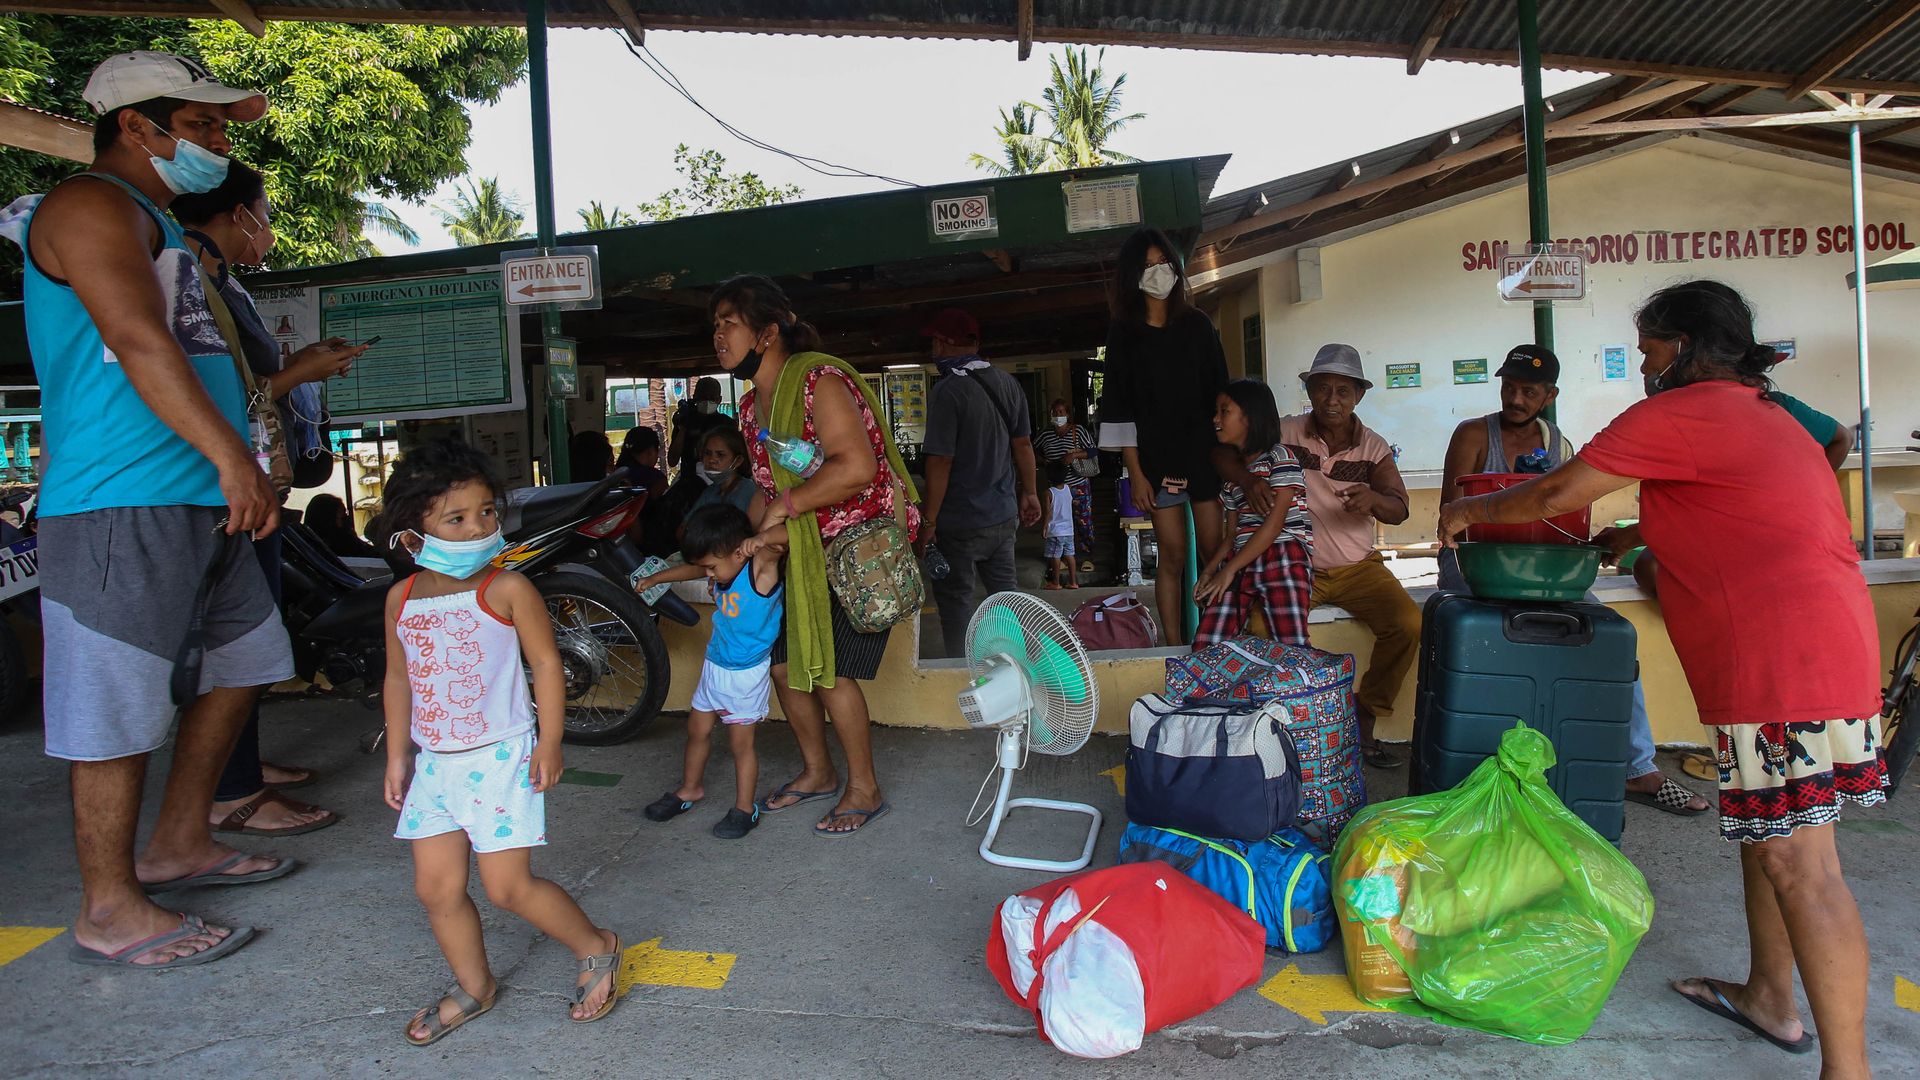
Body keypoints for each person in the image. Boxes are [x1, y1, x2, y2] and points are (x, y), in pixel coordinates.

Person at [1438, 280, 1883, 1079]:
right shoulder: (1770, 412)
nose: (1644, 367)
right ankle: (1770, 1000)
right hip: (1829, 648)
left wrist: (1468, 515)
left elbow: (1554, 492)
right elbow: (1753, 500)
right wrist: (1648, 536)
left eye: (1648, 350)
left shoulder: (1682, 410)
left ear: (1681, 347)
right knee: (1766, 837)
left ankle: (1848, 1070)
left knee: (1804, 866)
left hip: (1780, 669)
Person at [14, 52, 294, 969]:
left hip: (196, 495)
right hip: (119, 500)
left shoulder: (158, 225)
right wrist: (231, 458)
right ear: (137, 126)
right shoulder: (87, 207)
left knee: (246, 661)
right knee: (113, 705)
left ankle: (179, 842)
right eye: (203, 125)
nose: (218, 144)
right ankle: (109, 906)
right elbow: (134, 339)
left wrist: (228, 466)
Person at [378, 440, 621, 1042]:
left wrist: (552, 741)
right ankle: (475, 985)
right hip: (436, 765)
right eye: (455, 518)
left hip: (500, 756)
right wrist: (398, 755)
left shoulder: (507, 589)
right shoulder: (400, 600)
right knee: (434, 889)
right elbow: (397, 676)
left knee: (507, 887)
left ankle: (596, 945)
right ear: (416, 528)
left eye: (487, 512)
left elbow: (545, 664)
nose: (478, 527)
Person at [173, 160, 371, 839]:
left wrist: (302, 365)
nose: (269, 229)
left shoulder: (222, 281)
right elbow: (213, 394)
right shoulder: (188, 276)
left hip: (254, 482)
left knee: (253, 633)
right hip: (222, 485)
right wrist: (296, 378)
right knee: (235, 639)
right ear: (237, 215)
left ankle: (242, 766)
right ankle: (230, 791)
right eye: (264, 212)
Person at [1438, 345, 1710, 816]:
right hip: (1477, 557)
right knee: (1484, 641)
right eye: (1509, 387)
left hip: (1541, 564)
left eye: (1529, 391)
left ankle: (1638, 768)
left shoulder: (1556, 440)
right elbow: (1454, 515)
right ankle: (1481, 768)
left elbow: (1562, 509)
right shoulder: (1474, 434)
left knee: (1609, 642)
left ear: (1549, 395)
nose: (1516, 398)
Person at [721, 275, 920, 837]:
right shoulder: (749, 407)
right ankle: (818, 771)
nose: (717, 336)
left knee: (828, 672)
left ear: (764, 334)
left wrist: (784, 508)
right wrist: (750, 546)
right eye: (714, 325)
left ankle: (866, 787)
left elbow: (855, 468)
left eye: (727, 324)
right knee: (784, 666)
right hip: (802, 551)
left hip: (856, 551)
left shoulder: (818, 381)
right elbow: (766, 486)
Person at [1270, 344, 1415, 768]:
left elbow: (1400, 508)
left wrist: (1372, 498)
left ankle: (1365, 717)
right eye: (1323, 389)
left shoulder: (1373, 447)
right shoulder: (1284, 431)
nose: (1332, 399)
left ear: (1358, 396)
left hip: (1357, 567)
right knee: (1262, 627)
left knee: (1408, 625)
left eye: (1343, 391)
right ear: (1310, 391)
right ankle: (1291, 727)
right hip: (1296, 565)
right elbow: (1235, 453)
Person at [1098, 227, 1229, 646]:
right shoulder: (1123, 334)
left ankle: (1216, 641)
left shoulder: (1198, 325)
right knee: (1171, 556)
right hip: (1155, 461)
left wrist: (1231, 456)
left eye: (1163, 263)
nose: (1158, 271)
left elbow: (1221, 394)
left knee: (1213, 552)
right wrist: (1134, 473)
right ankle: (1174, 646)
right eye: (1148, 265)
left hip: (1204, 455)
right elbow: (1119, 408)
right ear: (1132, 275)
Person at [632, 504, 787, 839]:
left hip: (744, 676)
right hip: (713, 668)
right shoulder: (722, 569)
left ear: (737, 551)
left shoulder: (759, 570)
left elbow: (788, 537)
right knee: (696, 731)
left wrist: (760, 539)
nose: (710, 574)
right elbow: (692, 570)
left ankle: (746, 809)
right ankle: (690, 789)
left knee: (740, 746)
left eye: (712, 567)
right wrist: (656, 579)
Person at [916, 307, 1041, 656]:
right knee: (1006, 598)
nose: (933, 349)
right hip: (1002, 516)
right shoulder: (1007, 383)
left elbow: (940, 461)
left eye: (934, 342)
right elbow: (1023, 444)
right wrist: (1029, 493)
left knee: (957, 605)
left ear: (943, 343)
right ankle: (1016, 667)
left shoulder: (948, 391)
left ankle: (962, 673)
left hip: (959, 522)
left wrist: (929, 520)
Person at [1195, 379, 1312, 648]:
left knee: (1292, 646)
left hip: (1283, 556)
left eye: (1225, 411)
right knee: (1207, 643)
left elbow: (1273, 528)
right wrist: (1211, 571)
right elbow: (1231, 536)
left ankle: (1304, 690)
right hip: (1240, 558)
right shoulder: (1234, 479)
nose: (1215, 419)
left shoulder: (1280, 458)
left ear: (1251, 416)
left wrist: (1228, 571)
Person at [1034, 398, 1098, 572]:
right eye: (1054, 412)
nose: (1057, 415)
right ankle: (1060, 557)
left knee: (1083, 521)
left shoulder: (1078, 431)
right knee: (1058, 523)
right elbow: (1033, 449)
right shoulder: (1045, 434)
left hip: (1078, 485)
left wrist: (1075, 455)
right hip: (1056, 488)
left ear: (1067, 414)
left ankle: (1086, 557)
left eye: (1061, 412)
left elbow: (1093, 450)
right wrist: (1043, 460)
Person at [668, 376, 732, 473]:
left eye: (712, 398)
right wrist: (683, 429)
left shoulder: (727, 424)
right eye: (703, 398)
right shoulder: (685, 422)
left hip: (720, 480)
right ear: (695, 399)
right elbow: (672, 461)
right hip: (690, 479)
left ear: (719, 400)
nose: (707, 401)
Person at [304, 492, 382, 560]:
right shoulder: (342, 543)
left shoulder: (307, 544)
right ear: (328, 519)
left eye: (346, 514)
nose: (346, 519)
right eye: (342, 516)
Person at [1040, 463, 1078, 590]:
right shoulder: (1068, 488)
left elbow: (1048, 512)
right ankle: (1073, 582)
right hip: (1069, 530)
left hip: (1056, 531)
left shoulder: (1049, 493)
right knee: (1070, 555)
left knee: (1055, 556)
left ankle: (1056, 583)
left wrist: (1045, 527)